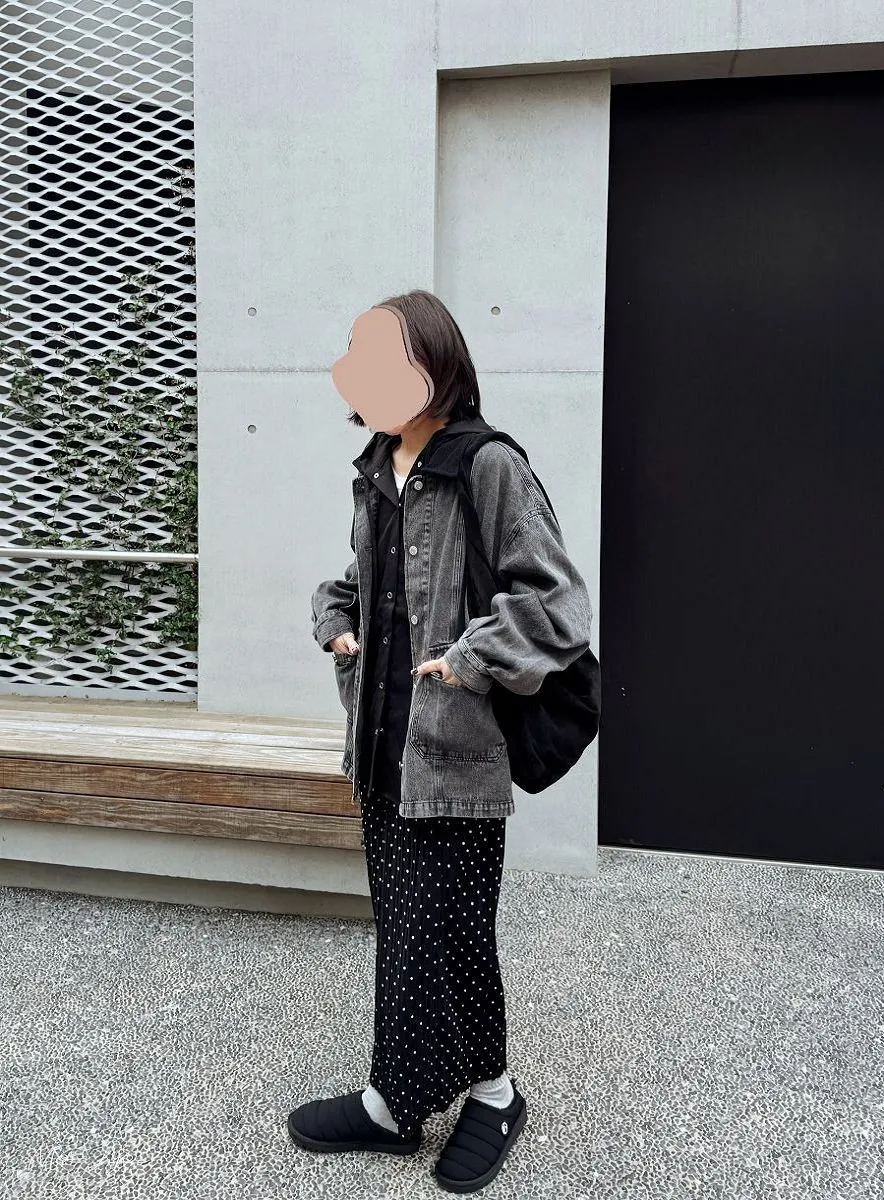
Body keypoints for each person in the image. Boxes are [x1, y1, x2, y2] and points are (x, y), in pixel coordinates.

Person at [291, 289, 593, 1193]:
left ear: (434, 364)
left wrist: (468, 659)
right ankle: (395, 1104)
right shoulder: (376, 466)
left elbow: (555, 604)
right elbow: (361, 578)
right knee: (405, 933)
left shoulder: (485, 464)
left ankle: (494, 1095)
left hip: (454, 752)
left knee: (453, 932)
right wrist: (334, 620)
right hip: (380, 747)